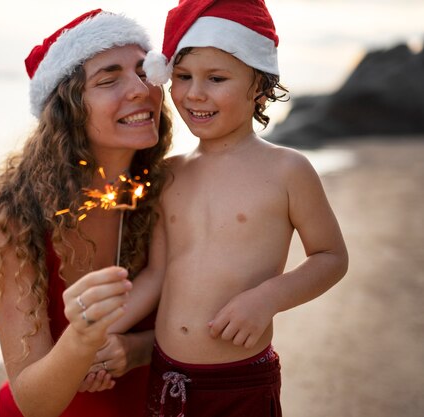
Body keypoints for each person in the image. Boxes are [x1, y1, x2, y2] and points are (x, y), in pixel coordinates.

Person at [105, 0, 350, 416]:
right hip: (165, 375)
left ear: (258, 85)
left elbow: (331, 257)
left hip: (240, 380)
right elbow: (158, 273)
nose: (195, 93)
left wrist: (267, 298)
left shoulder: (288, 170)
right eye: (181, 77)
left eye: (216, 78)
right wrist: (99, 333)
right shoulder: (170, 173)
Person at [0, 9, 174, 417]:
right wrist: (82, 340)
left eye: (145, 72)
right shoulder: (12, 223)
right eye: (109, 79)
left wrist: (136, 349)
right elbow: (33, 402)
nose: (141, 89)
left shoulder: (169, 193)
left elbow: (208, 323)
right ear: (67, 109)